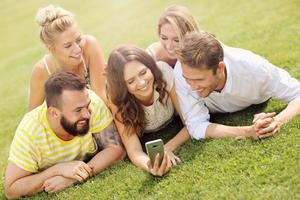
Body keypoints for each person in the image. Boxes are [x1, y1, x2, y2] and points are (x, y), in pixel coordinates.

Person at [4, 72, 125, 198]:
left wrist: (74, 177)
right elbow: (11, 190)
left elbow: (116, 148)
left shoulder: (90, 101)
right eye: (78, 110)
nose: (87, 114)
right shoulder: (30, 131)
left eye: (87, 106)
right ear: (54, 113)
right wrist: (57, 170)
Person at [174, 31, 300, 139]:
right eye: (187, 79)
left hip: (256, 101)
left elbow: (297, 94)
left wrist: (277, 122)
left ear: (220, 68)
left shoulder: (255, 69)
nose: (191, 86)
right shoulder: (182, 70)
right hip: (217, 110)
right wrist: (247, 132)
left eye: (199, 80)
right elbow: (195, 125)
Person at [106, 45, 190, 177]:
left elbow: (190, 123)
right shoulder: (116, 99)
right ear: (122, 86)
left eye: (143, 72)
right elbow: (134, 151)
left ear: (150, 67)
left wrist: (167, 148)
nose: (141, 83)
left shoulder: (163, 72)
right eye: (131, 81)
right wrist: (150, 165)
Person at [29, 4, 107, 110]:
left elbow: (102, 98)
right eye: (68, 46)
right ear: (50, 48)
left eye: (79, 40)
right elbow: (33, 116)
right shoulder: (41, 71)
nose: (78, 49)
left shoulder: (90, 46)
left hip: (99, 117)